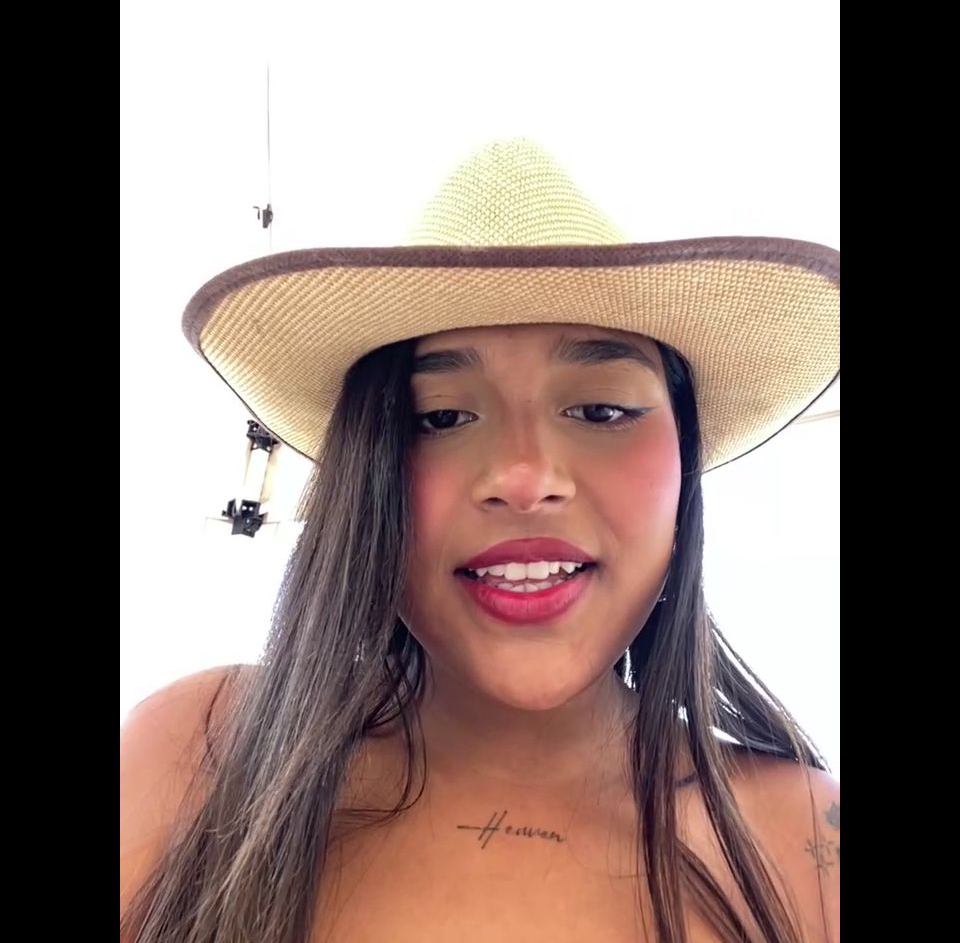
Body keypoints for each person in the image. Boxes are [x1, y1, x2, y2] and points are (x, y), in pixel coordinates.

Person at [120, 138, 840, 943]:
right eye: (441, 417)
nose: (524, 477)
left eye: (602, 410)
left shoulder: (808, 847)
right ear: (366, 472)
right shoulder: (199, 754)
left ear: (684, 460)